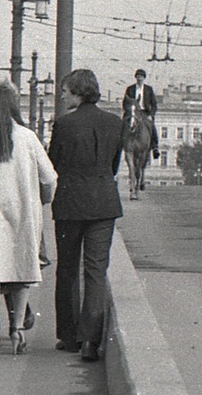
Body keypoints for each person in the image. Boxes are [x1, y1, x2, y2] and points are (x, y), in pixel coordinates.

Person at [0, 82, 57, 360]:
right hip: (25, 213)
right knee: (22, 271)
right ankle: (18, 331)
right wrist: (42, 199)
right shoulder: (27, 137)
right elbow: (50, 177)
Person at [49, 68, 124, 362]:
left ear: (78, 92)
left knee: (67, 269)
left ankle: (68, 336)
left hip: (70, 204)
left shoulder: (64, 125)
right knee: (95, 271)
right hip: (104, 203)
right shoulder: (114, 123)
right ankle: (90, 341)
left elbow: (54, 162)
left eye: (65, 90)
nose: (62, 95)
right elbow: (114, 164)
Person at [122, 68, 160, 161]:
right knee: (123, 124)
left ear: (144, 78)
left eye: (141, 77)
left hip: (144, 113)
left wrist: (151, 115)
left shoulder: (148, 89)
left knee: (152, 127)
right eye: (138, 76)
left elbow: (154, 104)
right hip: (132, 112)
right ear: (135, 78)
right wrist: (129, 110)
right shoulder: (130, 89)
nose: (139, 78)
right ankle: (120, 144)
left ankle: (155, 147)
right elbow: (125, 103)